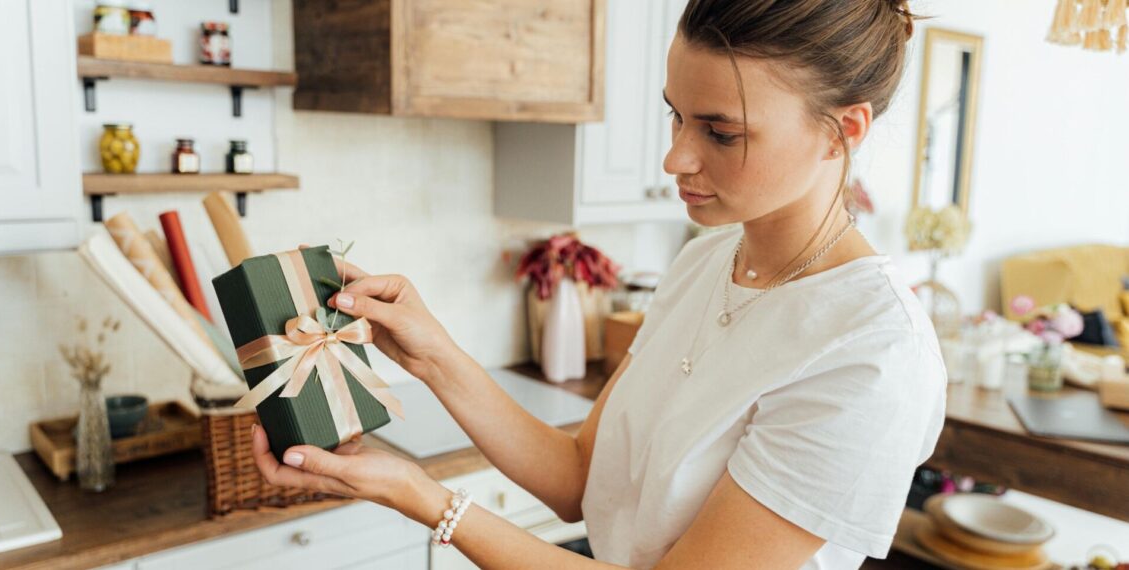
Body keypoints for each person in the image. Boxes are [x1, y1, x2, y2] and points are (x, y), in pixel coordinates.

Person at [251, 0, 947, 568]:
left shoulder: (870, 353)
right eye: (675, 114)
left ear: (842, 131)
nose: (675, 156)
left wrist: (425, 498)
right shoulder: (706, 263)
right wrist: (433, 354)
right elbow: (581, 479)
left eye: (721, 133)